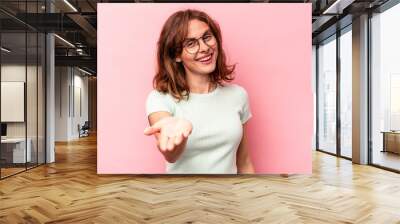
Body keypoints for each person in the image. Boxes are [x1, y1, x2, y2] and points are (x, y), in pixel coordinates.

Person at [144, 9, 254, 174]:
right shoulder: (160, 98)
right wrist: (177, 136)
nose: (204, 48)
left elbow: (244, 162)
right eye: (191, 43)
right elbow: (171, 155)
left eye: (207, 37)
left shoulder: (238, 95)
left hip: (229, 197)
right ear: (176, 55)